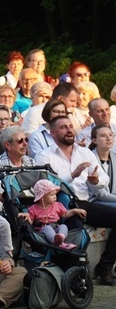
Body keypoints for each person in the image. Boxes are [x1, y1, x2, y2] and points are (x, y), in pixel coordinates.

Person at [34, 115, 116, 285]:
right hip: (58, 205)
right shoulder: (44, 156)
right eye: (63, 127)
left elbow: (103, 178)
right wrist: (72, 175)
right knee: (75, 226)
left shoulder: (85, 152)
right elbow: (45, 186)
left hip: (84, 202)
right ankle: (76, 275)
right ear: (53, 133)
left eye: (71, 126)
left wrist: (95, 180)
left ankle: (105, 266)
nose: (69, 130)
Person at [18, 180, 84, 250]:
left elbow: (65, 214)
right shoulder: (33, 209)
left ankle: (60, 237)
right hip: (43, 231)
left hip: (56, 228)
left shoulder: (57, 205)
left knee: (63, 226)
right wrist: (26, 215)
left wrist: (74, 211)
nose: (55, 197)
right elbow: (30, 222)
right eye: (52, 195)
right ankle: (60, 244)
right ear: (42, 197)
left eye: (55, 194)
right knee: (47, 228)